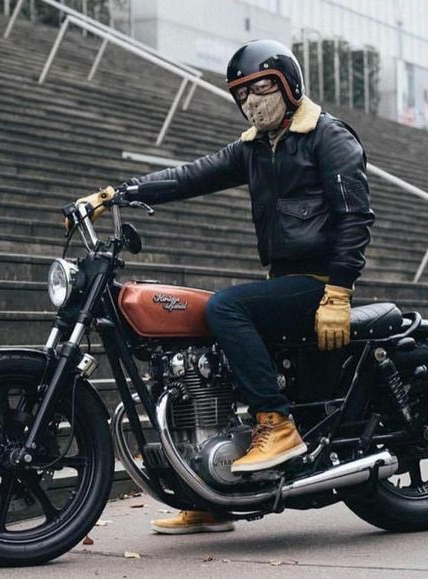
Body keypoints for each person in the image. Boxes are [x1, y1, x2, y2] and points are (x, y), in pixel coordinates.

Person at [86, 39, 374, 534]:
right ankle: (209, 491)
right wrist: (122, 193)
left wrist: (338, 293)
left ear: (288, 84)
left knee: (226, 308)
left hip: (319, 282)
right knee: (201, 339)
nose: (251, 101)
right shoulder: (255, 147)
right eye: (241, 94)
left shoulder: (328, 137)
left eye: (261, 88)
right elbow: (189, 176)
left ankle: (276, 425)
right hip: (284, 282)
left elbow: (354, 216)